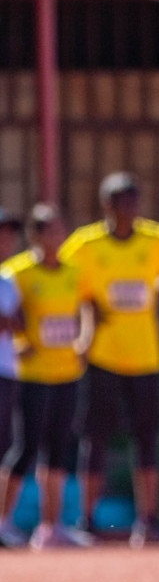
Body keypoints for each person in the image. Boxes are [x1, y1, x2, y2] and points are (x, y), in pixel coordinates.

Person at [61, 172, 159, 547]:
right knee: (95, 437)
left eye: (135, 203)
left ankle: (148, 519)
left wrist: (156, 286)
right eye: (123, 203)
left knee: (148, 438)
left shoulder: (154, 238)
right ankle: (86, 520)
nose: (131, 210)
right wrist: (87, 311)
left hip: (145, 356)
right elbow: (63, 282)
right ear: (107, 206)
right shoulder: (86, 245)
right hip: (103, 355)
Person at [0, 205, 92, 550]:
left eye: (60, 231)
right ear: (35, 237)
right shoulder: (16, 273)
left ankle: (50, 526)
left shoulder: (72, 272)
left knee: (59, 449)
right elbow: (15, 317)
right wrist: (22, 343)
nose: (57, 238)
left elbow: (87, 305)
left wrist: (84, 338)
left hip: (67, 371)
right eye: (49, 232)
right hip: (31, 375)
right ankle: (3, 519)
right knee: (25, 448)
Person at [0, 209, 25, 548]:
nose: (6, 241)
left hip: (7, 370)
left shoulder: (9, 280)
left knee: (4, 446)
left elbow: (17, 323)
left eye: (9, 235)